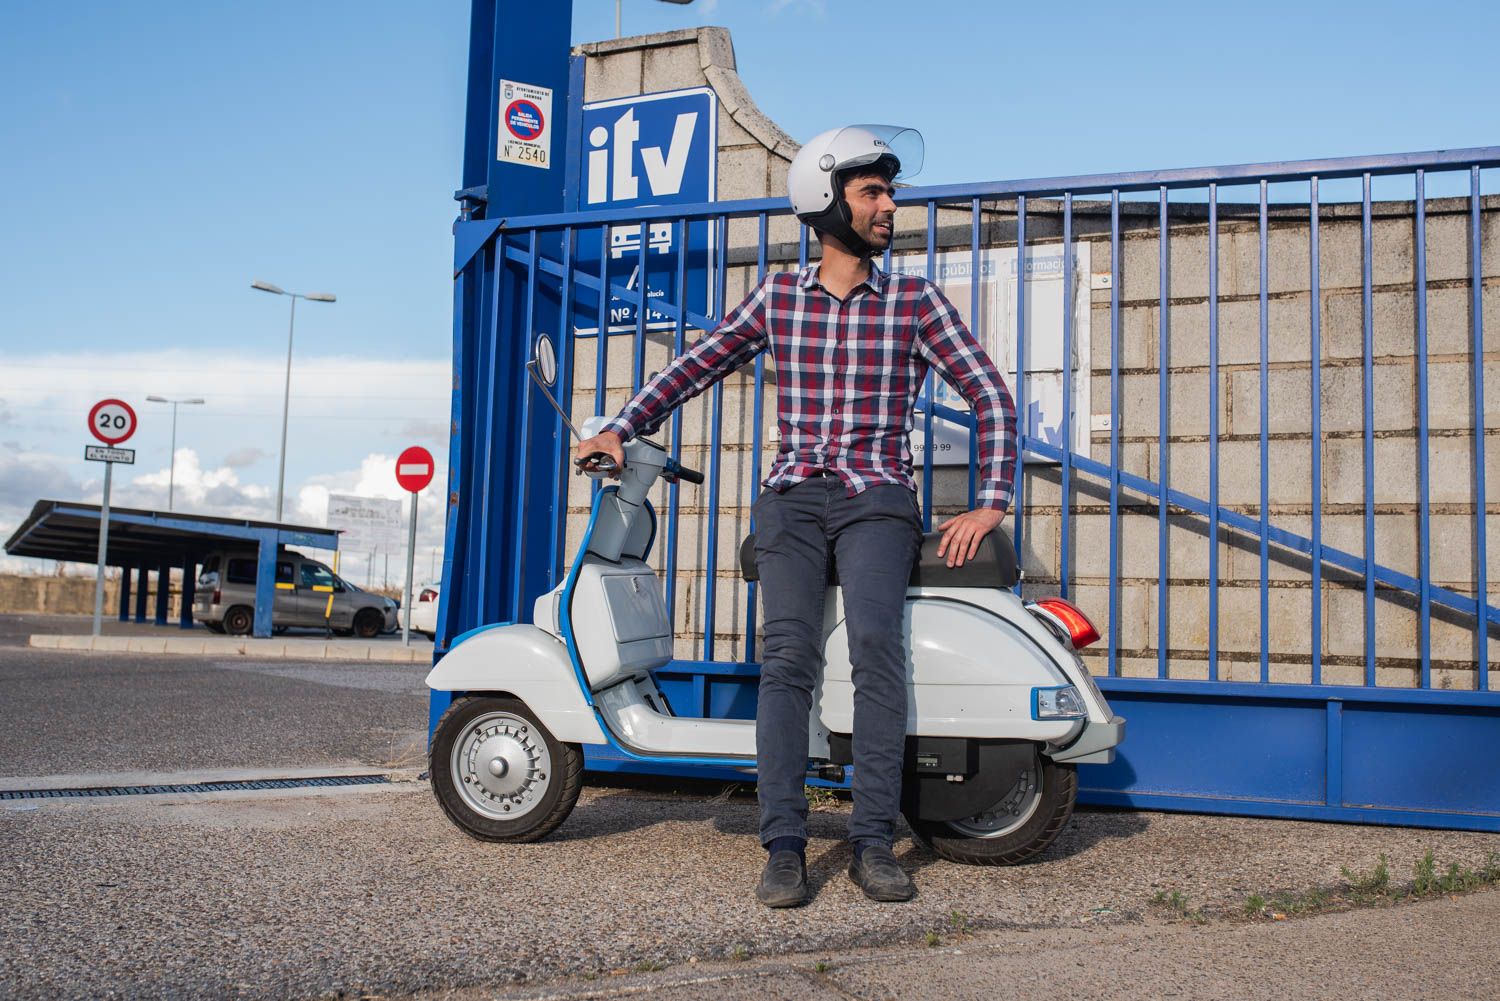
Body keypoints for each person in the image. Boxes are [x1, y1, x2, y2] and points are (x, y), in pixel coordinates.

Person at [574, 125, 1017, 907]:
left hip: (878, 497)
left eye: (888, 191)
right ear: (826, 202)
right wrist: (622, 423)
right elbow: (696, 363)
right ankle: (783, 842)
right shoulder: (780, 295)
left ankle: (874, 840)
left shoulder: (914, 299)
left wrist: (992, 500)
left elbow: (989, 390)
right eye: (872, 192)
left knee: (879, 652)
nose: (888, 206)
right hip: (793, 498)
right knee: (787, 662)